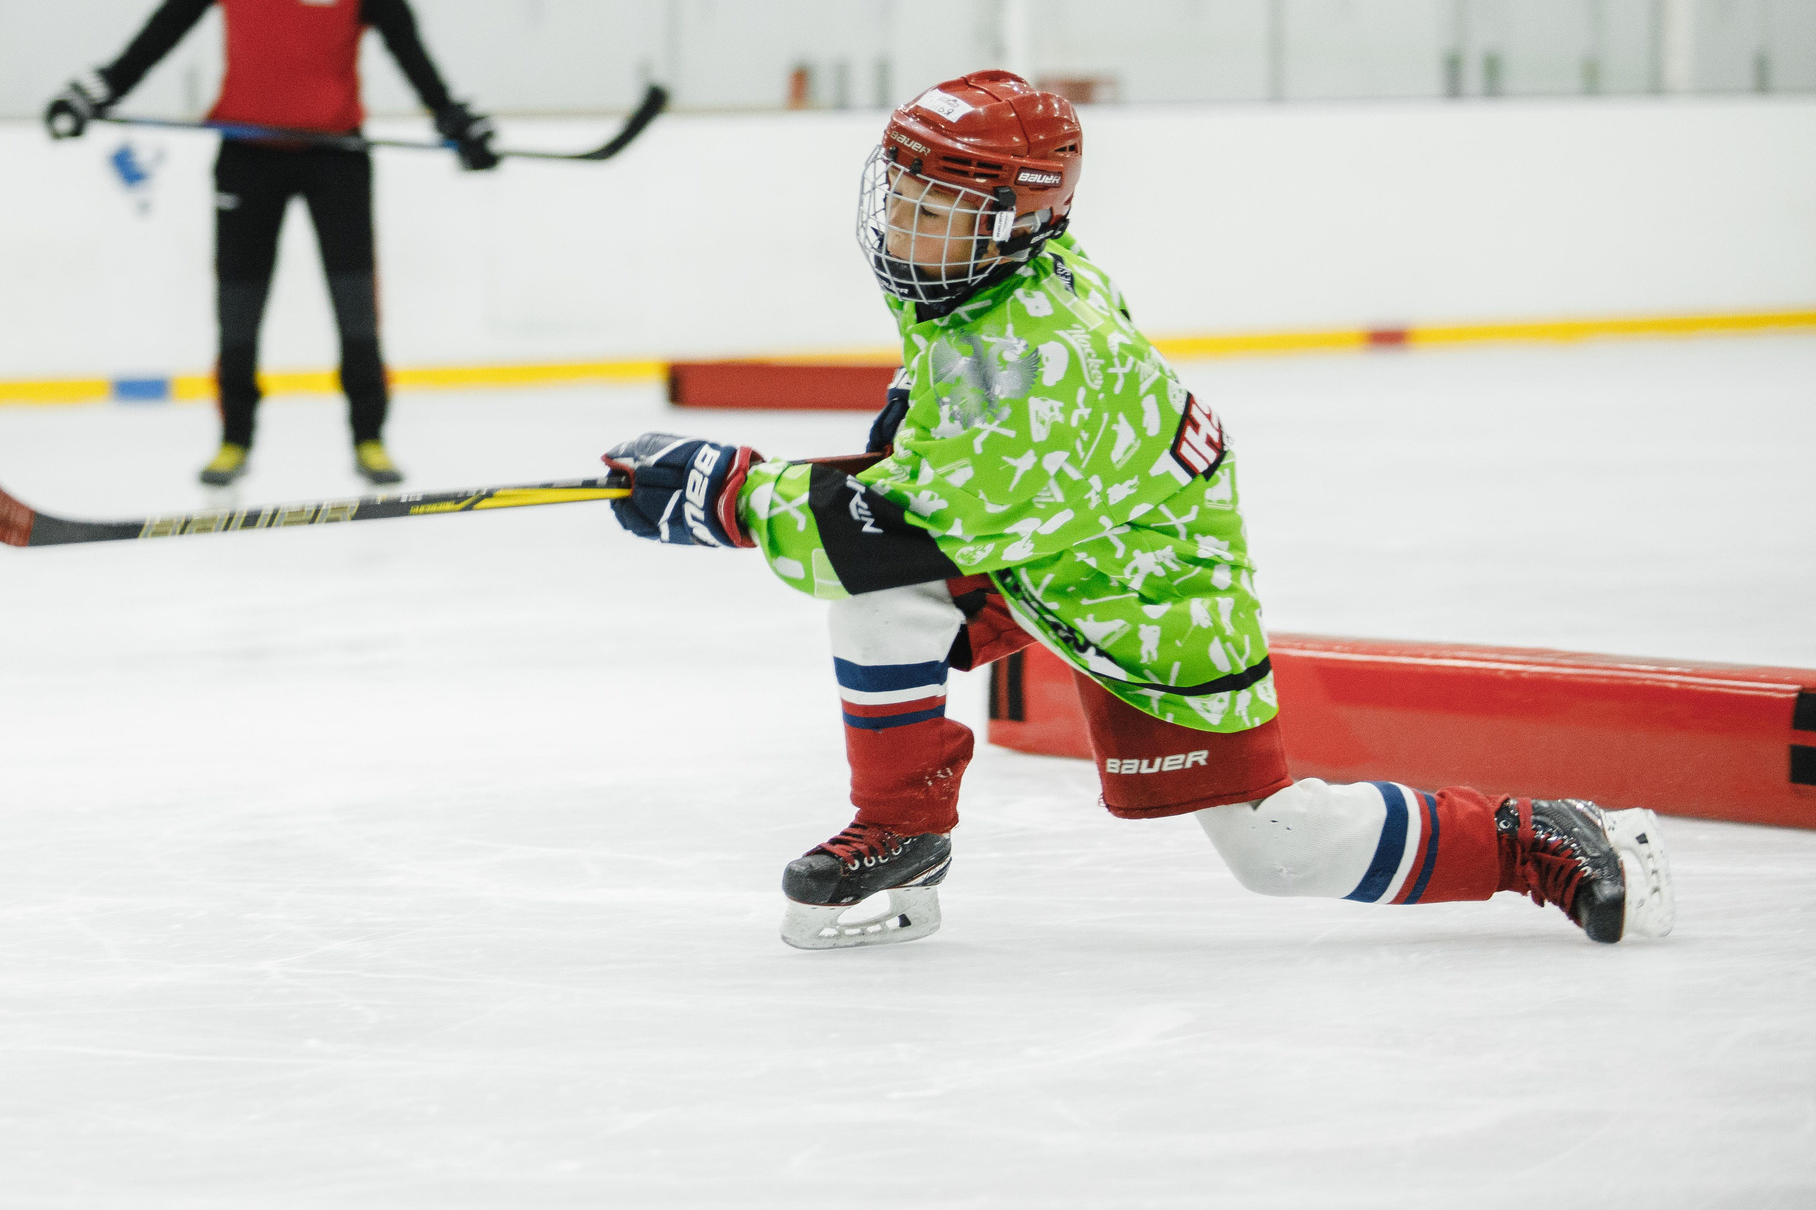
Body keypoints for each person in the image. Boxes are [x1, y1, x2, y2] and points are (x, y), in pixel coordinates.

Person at [600, 72, 1676, 951]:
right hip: (1044, 542)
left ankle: (1536, 837)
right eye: (901, 195)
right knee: (885, 603)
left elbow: (891, 522)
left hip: (1148, 588)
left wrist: (723, 490)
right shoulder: (988, 280)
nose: (905, 227)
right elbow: (940, 450)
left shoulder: (1039, 352)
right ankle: (900, 832)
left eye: (940, 210)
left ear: (1020, 217)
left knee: (1278, 851)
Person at [58, 0, 498, 489]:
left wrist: (453, 118)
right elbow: (163, 30)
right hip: (246, 155)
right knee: (239, 307)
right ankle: (234, 440)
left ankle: (371, 439)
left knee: (355, 307)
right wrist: (97, 89)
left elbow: (407, 46)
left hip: (337, 158)